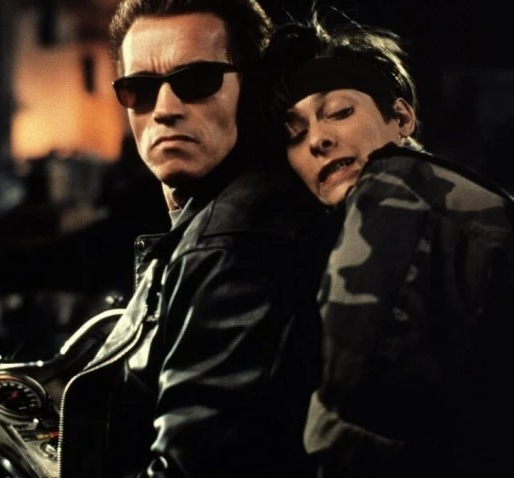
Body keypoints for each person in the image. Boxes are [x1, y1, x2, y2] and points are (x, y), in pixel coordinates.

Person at [57, 0, 323, 476]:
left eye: (197, 81)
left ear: (253, 90)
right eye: (139, 89)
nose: (164, 110)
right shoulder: (215, 221)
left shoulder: (234, 244)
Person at [261, 13, 514, 478]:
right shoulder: (442, 199)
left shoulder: (395, 184)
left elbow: (355, 430)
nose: (318, 139)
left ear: (401, 117)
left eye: (340, 112)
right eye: (295, 134)